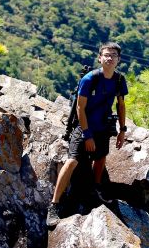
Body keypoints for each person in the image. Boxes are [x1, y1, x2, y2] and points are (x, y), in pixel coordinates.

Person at [46, 42, 128, 229]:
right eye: (106, 55)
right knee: (72, 161)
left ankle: (95, 190)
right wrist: (87, 135)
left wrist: (123, 130)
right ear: (100, 58)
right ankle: (54, 205)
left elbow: (121, 105)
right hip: (83, 128)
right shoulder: (90, 79)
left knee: (100, 159)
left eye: (113, 55)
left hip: (103, 128)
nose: (109, 58)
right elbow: (80, 107)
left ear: (118, 60)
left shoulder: (119, 80)